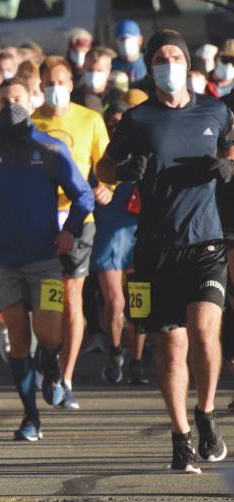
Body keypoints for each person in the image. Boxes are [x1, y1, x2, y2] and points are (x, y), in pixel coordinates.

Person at [97, 30, 233, 473]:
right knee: (171, 347)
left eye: (175, 57)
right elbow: (103, 168)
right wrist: (123, 170)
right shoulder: (138, 120)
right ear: (151, 67)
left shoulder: (215, 110)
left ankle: (206, 412)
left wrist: (228, 165)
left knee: (204, 330)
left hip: (206, 242)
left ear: (187, 64)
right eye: (159, 59)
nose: (168, 64)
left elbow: (231, 147)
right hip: (156, 247)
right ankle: (180, 436)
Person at [0, 78, 93, 443]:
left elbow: (84, 196)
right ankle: (31, 416)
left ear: (31, 104)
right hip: (2, 260)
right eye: (4, 100)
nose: (10, 105)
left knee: (49, 332)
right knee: (17, 336)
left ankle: (51, 363)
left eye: (16, 98)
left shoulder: (50, 148)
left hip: (45, 258)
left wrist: (71, 230)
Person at [31, 56, 111, 409]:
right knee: (47, 296)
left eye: (61, 81)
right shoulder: (31, 123)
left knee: (71, 296)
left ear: (71, 83)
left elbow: (107, 165)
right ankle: (49, 358)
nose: (55, 88)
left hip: (79, 217)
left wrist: (108, 186)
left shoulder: (90, 119)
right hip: (39, 220)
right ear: (40, 85)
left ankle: (66, 376)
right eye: (49, 82)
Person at [91, 100, 148, 386]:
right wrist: (95, 192)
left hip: (139, 236)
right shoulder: (99, 158)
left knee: (139, 303)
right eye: (111, 122)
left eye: (120, 122)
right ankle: (115, 352)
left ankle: (137, 361)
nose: (116, 127)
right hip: (108, 236)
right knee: (115, 303)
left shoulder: (145, 152)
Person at [73, 47, 115, 114]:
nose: (94, 74)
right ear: (83, 67)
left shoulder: (117, 96)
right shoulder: (73, 97)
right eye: (90, 70)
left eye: (99, 71)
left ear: (108, 69)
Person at [112, 20, 147, 84]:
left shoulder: (148, 63)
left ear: (140, 40)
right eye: (122, 39)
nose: (125, 43)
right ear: (116, 42)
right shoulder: (110, 67)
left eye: (129, 38)